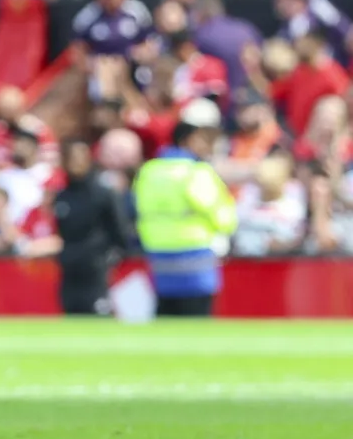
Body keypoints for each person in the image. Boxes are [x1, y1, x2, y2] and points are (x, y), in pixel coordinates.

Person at [131, 100, 238, 318]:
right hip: (195, 259)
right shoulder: (196, 173)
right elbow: (223, 218)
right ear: (189, 138)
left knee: (165, 321)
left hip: (159, 257)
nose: (209, 144)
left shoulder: (148, 171)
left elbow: (137, 209)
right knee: (195, 325)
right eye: (205, 138)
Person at [50, 138, 132, 316]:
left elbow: (119, 231)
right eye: (71, 157)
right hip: (70, 270)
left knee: (98, 319)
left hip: (96, 269)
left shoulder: (104, 194)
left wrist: (111, 258)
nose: (76, 162)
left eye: (81, 157)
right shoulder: (62, 196)